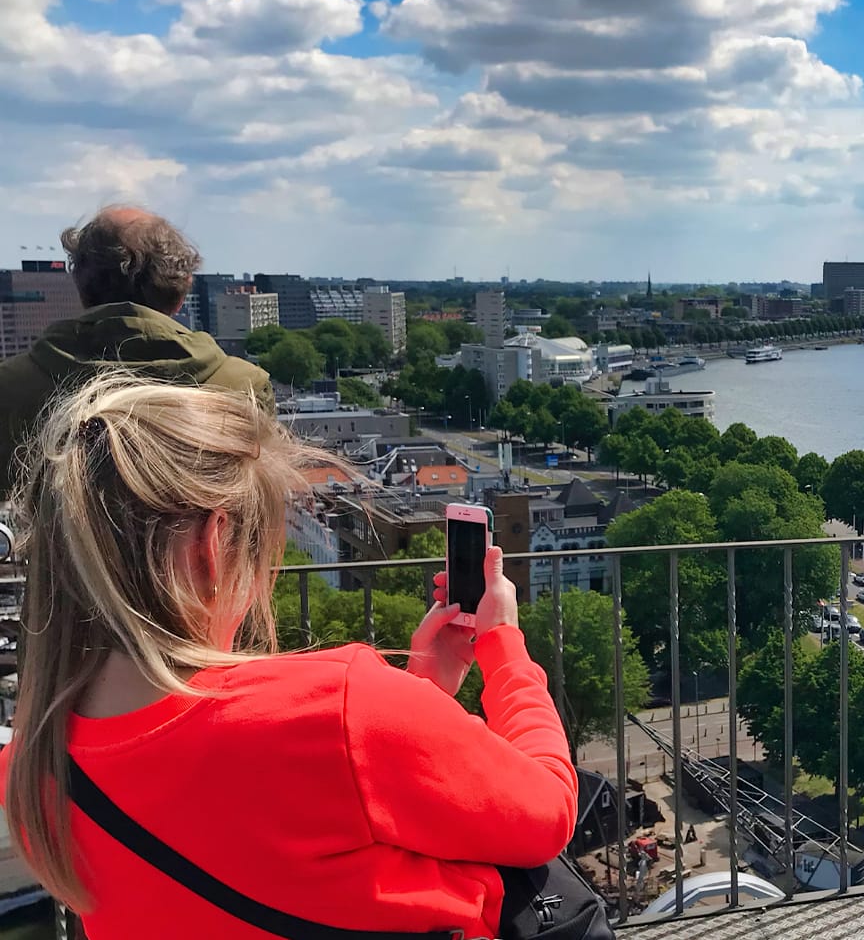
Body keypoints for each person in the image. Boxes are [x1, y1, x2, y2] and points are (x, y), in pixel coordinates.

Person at [0, 374, 578, 938]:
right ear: (213, 541)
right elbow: (547, 810)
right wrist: (504, 646)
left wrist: (420, 694)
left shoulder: (33, 767)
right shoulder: (339, 708)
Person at [0, 207, 271, 491]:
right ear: (180, 295)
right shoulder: (244, 388)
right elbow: (260, 516)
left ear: (81, 287)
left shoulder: (12, 387)